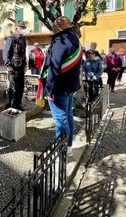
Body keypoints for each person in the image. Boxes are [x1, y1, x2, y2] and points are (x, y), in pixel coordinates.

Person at [43, 16, 82, 156]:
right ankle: (69, 147)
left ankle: (61, 152)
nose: (52, 26)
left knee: (60, 120)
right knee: (68, 116)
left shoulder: (60, 40)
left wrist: (49, 89)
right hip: (70, 86)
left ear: (60, 26)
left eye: (54, 24)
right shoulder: (75, 38)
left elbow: (55, 67)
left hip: (59, 88)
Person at [3, 20, 27, 111]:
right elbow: (6, 53)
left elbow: (24, 54)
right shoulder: (11, 39)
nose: (23, 30)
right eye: (22, 28)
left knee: (20, 87)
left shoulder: (22, 40)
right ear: (16, 28)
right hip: (13, 67)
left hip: (21, 67)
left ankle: (18, 105)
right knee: (13, 88)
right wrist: (8, 65)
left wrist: (25, 65)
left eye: (24, 28)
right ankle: (12, 106)